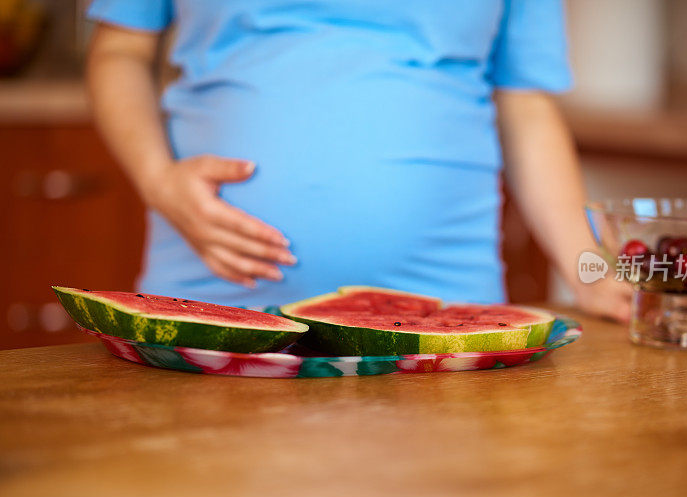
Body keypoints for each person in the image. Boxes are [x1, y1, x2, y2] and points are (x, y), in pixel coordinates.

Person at [86, 0, 630, 322]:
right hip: (211, 291)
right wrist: (158, 180)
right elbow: (119, 52)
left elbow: (526, 101)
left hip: (446, 300)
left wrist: (587, 269)